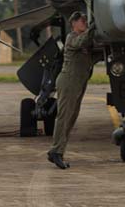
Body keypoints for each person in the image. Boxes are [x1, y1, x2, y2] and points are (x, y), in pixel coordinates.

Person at [47, 11, 97, 169]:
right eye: (82, 21)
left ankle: (58, 151)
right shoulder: (72, 38)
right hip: (68, 81)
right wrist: (96, 25)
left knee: (71, 118)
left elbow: (94, 54)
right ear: (74, 23)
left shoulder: (85, 42)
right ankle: (56, 151)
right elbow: (83, 40)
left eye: (86, 21)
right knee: (64, 117)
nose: (85, 23)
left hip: (78, 83)